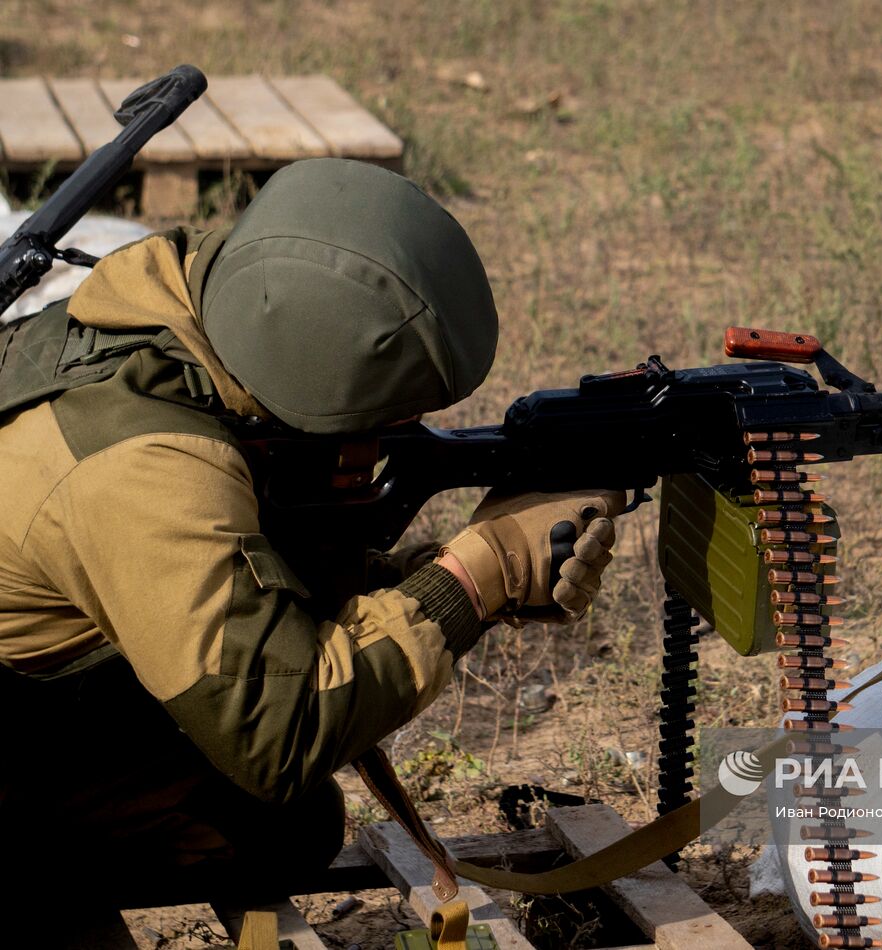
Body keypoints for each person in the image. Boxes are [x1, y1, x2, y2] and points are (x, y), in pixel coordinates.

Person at [0, 159, 622, 905]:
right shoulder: (143, 468)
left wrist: (429, 579)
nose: (398, 440)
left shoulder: (188, 305)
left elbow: (235, 581)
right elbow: (280, 734)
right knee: (275, 826)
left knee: (285, 821)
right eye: (385, 427)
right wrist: (471, 581)